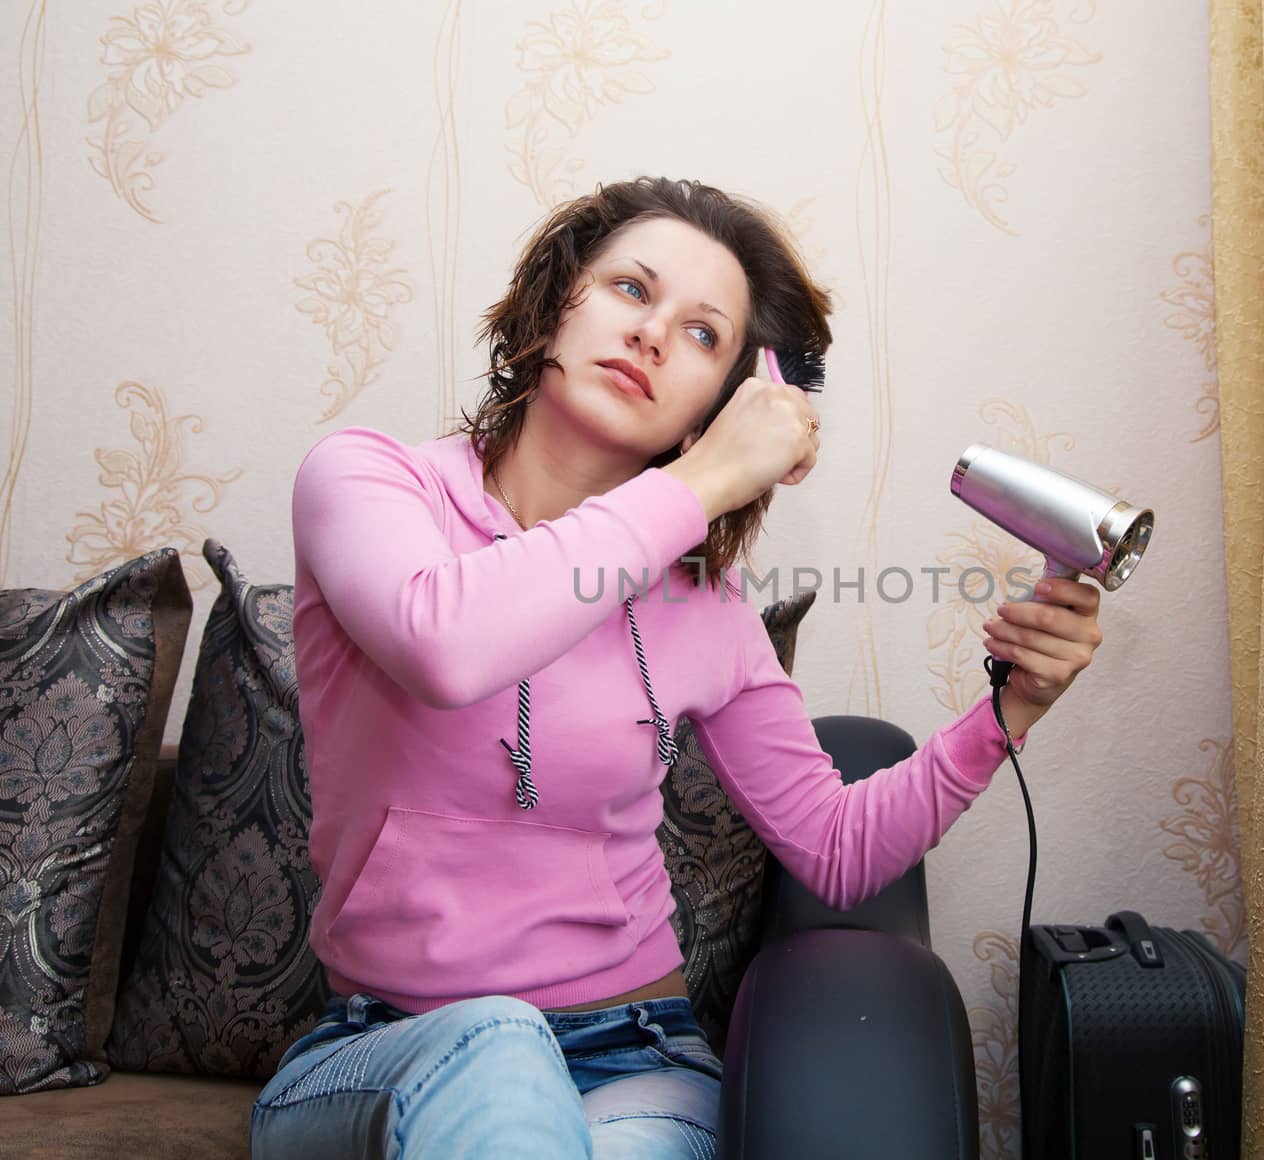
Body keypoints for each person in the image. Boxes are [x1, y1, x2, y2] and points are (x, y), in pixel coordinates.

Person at [250, 177, 1104, 1159]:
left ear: (726, 401)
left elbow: (834, 847)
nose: (653, 334)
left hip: (634, 1054)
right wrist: (707, 480)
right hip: (391, 1048)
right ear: (552, 305)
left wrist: (1012, 708)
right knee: (499, 1039)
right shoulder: (368, 481)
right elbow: (449, 642)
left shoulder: (706, 607)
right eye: (629, 290)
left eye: (703, 335)